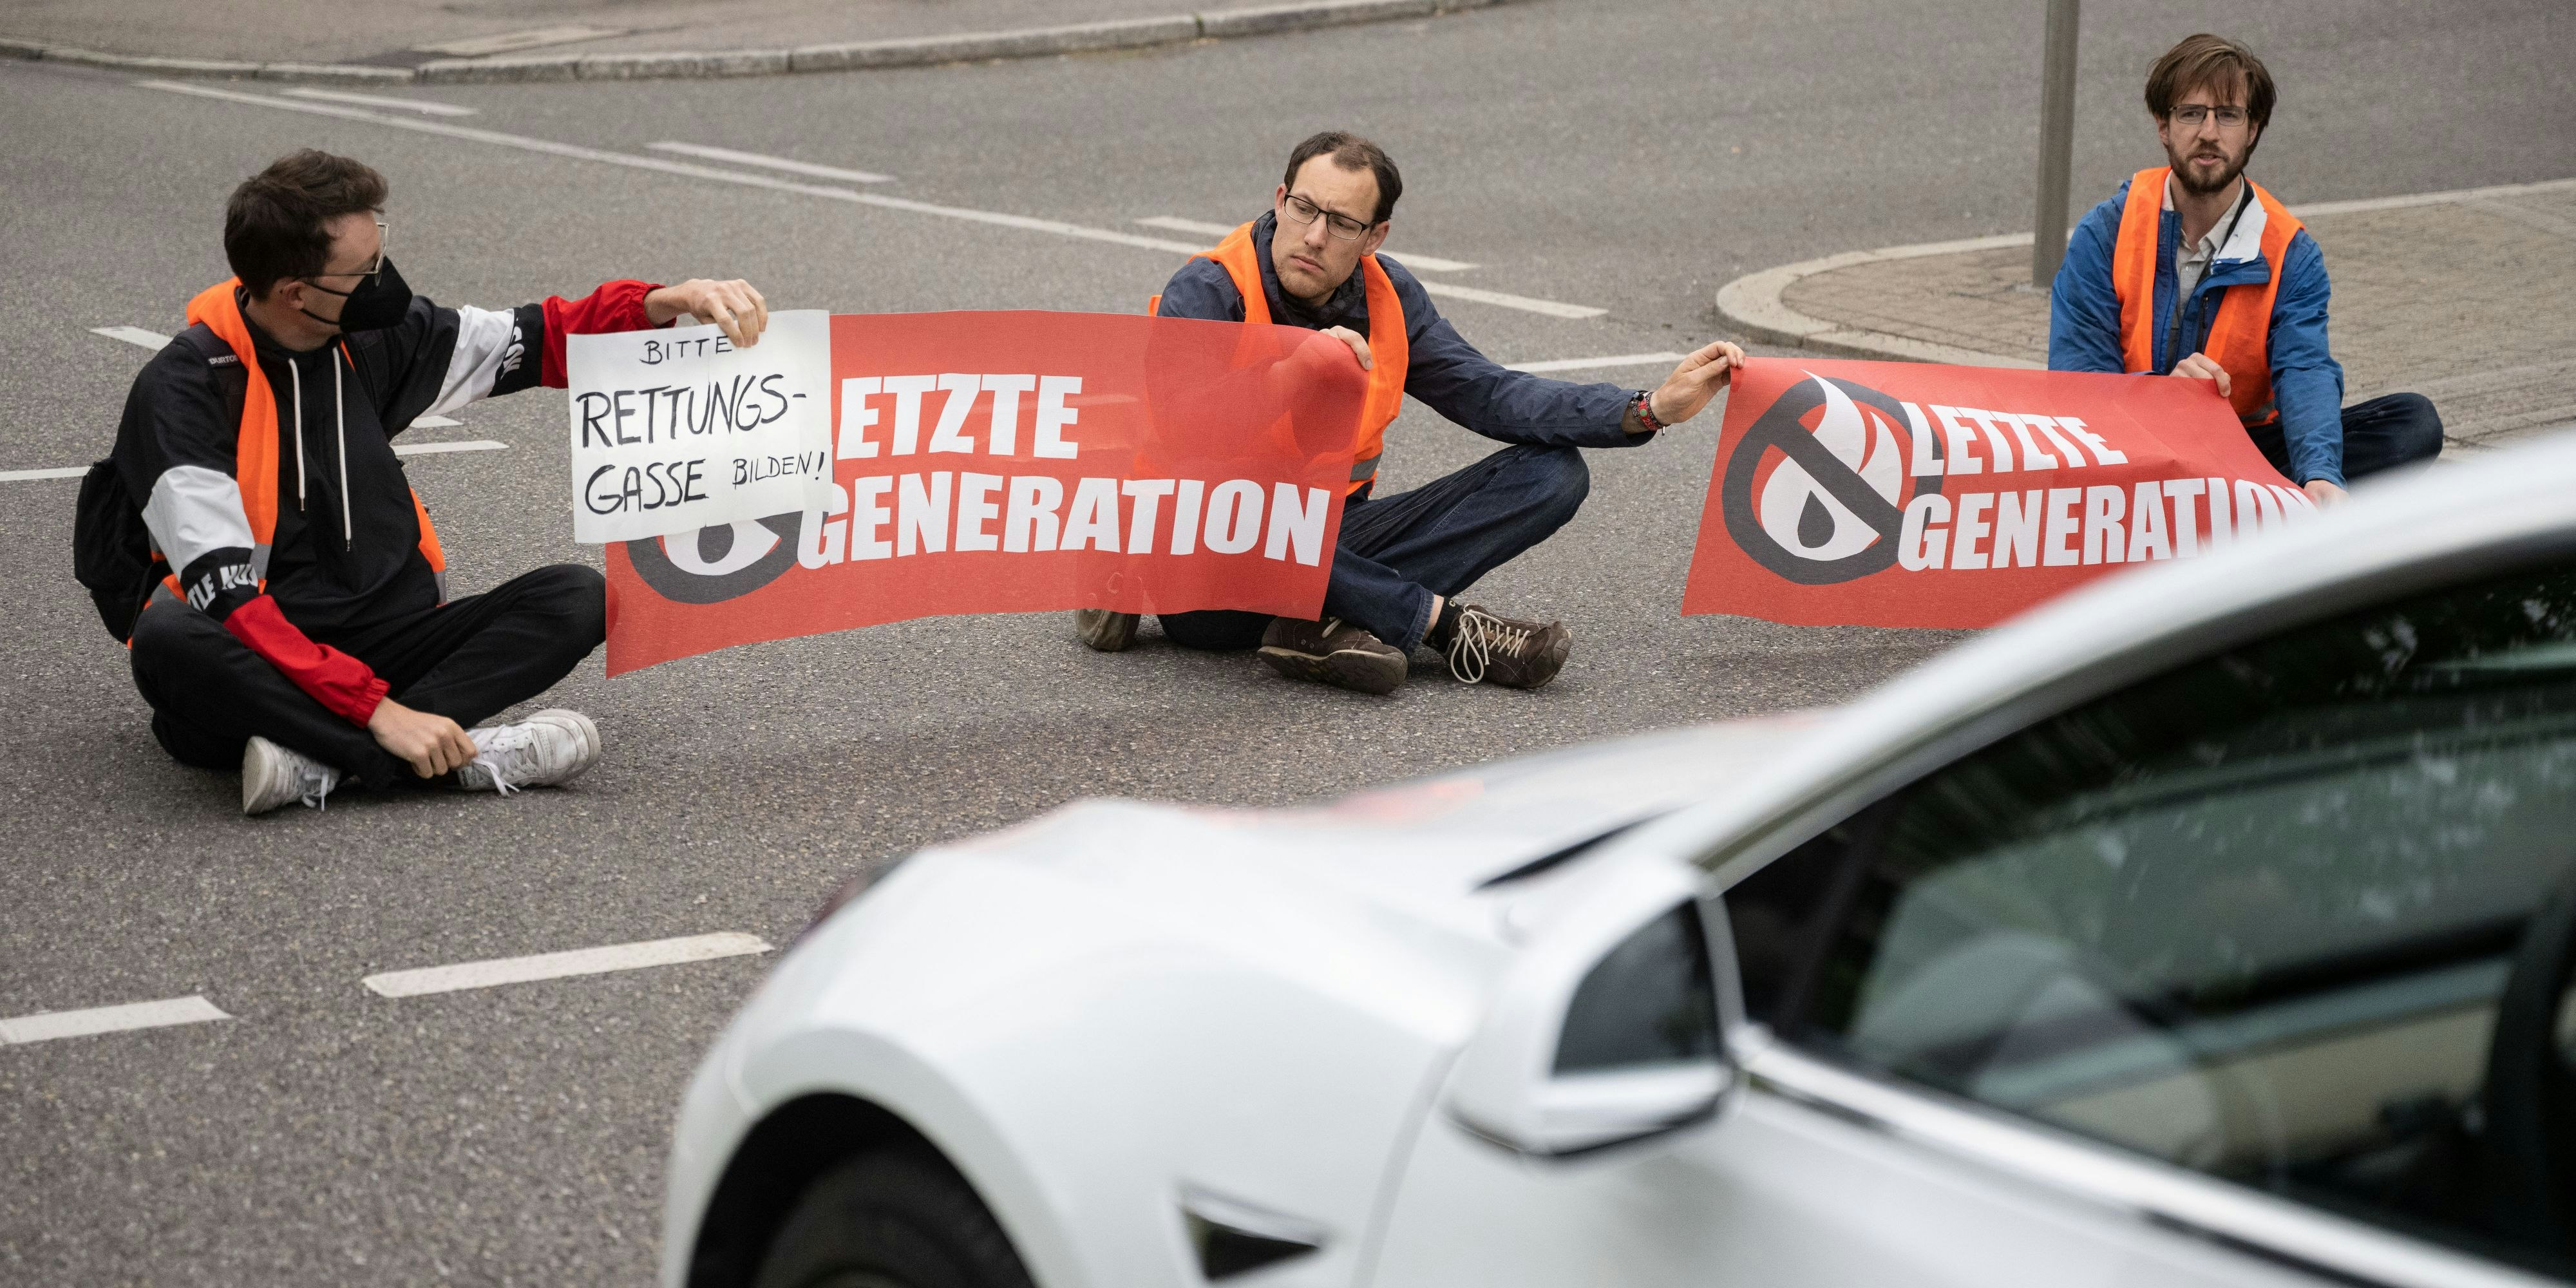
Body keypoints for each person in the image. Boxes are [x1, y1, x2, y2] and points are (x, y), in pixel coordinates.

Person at [108, 149, 770, 815]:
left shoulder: (372, 339)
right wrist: (376, 712)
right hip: (266, 656)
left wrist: (665, 303)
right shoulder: (183, 392)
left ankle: (321, 762)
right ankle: (446, 754)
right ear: (296, 293)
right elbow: (228, 599)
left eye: (381, 253)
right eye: (362, 272)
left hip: (391, 641)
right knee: (170, 640)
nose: (382, 280)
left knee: (578, 597)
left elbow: (535, 338)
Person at [1077, 131, 1744, 694]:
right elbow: (1186, 424)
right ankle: (1451, 628)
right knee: (1258, 525)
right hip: (1213, 558)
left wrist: (1649, 408)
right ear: (1279, 201)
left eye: (1340, 223)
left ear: (1374, 235)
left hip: (1333, 539)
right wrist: (1293, 373)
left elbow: (1489, 393)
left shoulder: (1388, 294)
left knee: (1552, 475)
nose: (1313, 235)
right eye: (1304, 208)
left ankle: (1319, 624)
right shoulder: (1207, 289)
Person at [2049, 33, 2441, 504]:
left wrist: (2319, 472)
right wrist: (2163, 397)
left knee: (2413, 422)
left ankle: (2247, 500)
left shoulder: (2291, 251)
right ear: (2163, 126)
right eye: (2190, 113)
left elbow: (2305, 368)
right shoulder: (2106, 232)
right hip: (2133, 441)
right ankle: (2245, 509)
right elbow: (2080, 380)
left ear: (2252, 129)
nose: (2208, 132)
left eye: (2228, 115)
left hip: (2243, 448)